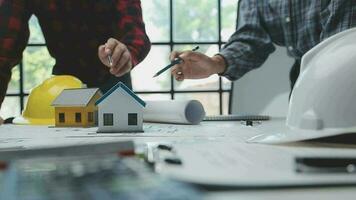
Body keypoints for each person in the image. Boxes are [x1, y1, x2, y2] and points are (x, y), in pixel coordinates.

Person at [0, 0, 151, 125]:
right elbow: (4, 45)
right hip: (62, 84)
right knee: (60, 150)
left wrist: (126, 52)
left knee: (122, 148)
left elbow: (135, 33)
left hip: (113, 75)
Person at [170, 0, 356, 91]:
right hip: (304, 75)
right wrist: (216, 63)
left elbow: (341, 45)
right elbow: (253, 35)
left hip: (347, 71)